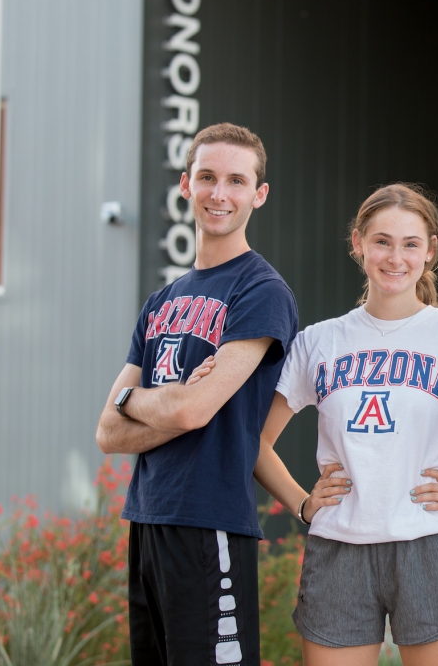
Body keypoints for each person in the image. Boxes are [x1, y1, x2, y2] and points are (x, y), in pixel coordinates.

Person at [196, 183, 438, 666]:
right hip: (339, 546)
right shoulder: (319, 342)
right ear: (358, 244)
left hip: (430, 542)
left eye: (411, 244)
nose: (396, 257)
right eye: (382, 241)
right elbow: (254, 440)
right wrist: (304, 505)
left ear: (430, 251)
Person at [95, 122, 298, 666]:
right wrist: (145, 404)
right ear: (186, 185)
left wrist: (134, 398)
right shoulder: (162, 300)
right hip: (147, 517)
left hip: (209, 522)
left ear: (259, 194)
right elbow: (108, 434)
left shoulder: (260, 290)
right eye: (207, 177)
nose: (219, 193)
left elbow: (193, 408)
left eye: (236, 180)